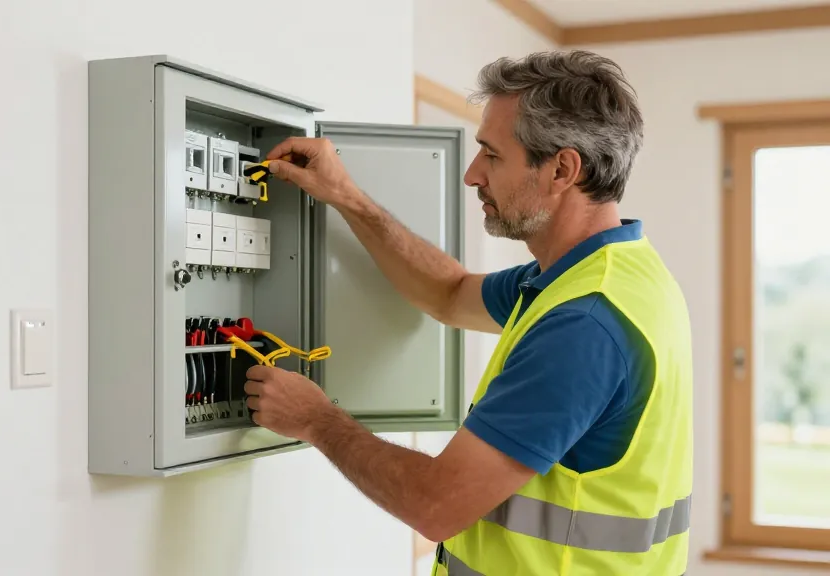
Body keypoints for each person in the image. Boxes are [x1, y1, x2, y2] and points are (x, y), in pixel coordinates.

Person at [245, 49, 692, 575]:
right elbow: (450, 292)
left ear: (562, 169)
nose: (472, 175)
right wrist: (348, 198)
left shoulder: (584, 323)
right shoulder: (603, 276)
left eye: (492, 155)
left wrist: (316, 420)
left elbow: (435, 504)